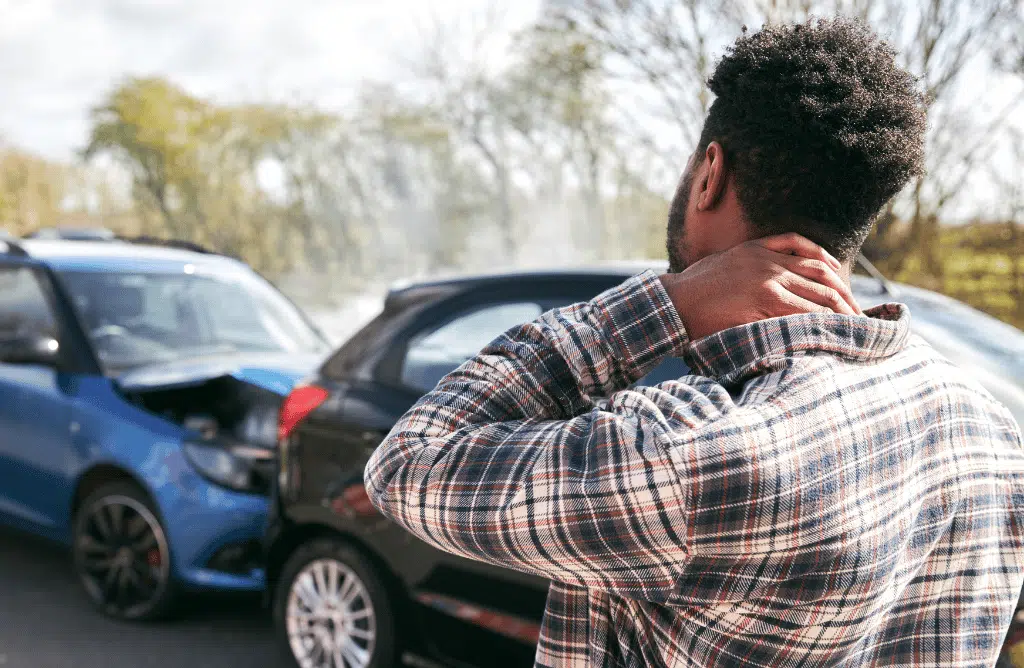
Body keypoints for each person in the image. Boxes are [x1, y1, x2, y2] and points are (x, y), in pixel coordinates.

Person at [365, 17, 1024, 667]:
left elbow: (407, 465)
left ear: (710, 173)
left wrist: (665, 303)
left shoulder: (689, 453)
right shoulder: (989, 430)